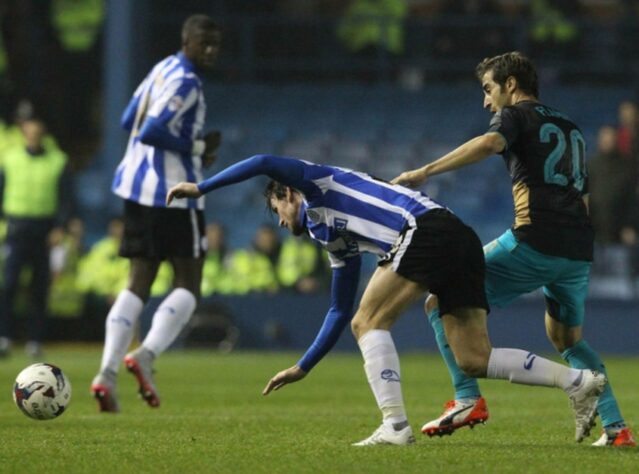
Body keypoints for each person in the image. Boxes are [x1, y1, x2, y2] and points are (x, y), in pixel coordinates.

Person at [167, 153, 605, 446]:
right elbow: (339, 308)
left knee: (369, 322)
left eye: (276, 211)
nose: (280, 224)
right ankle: (577, 382)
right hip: (458, 237)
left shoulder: (315, 183)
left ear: (286, 194)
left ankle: (395, 424)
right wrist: (303, 366)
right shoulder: (332, 235)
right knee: (474, 358)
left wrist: (200, 189)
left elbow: (263, 161)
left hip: (424, 231)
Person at [392, 51, 635, 447]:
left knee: (439, 300)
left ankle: (468, 397)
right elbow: (583, 192)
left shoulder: (514, 115)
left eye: (488, 89)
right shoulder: (569, 126)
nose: (486, 101)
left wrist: (424, 171)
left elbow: (490, 143)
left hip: (534, 240)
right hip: (577, 251)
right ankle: (617, 428)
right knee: (568, 340)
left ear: (510, 85)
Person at [90, 14, 222, 413]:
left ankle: (106, 374)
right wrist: (198, 149)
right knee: (189, 280)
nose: (211, 51)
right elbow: (149, 129)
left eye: (216, 44)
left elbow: (128, 119)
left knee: (139, 280)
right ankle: (145, 356)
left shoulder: (161, 68)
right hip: (174, 193)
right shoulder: (187, 80)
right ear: (187, 41)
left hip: (134, 187)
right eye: (204, 43)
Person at [0, 117, 72, 358]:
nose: (33, 136)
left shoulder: (57, 161)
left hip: (44, 230)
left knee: (39, 287)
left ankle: (35, 340)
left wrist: (60, 226)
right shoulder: (10, 160)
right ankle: (5, 337)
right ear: (24, 133)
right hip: (16, 227)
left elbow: (65, 197)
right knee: (9, 285)